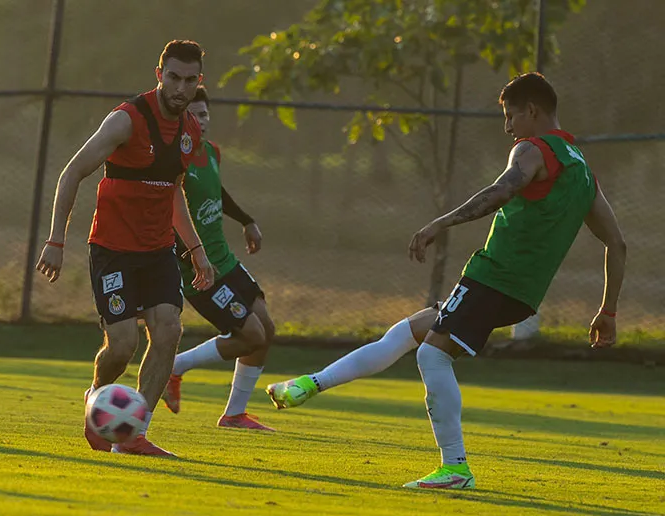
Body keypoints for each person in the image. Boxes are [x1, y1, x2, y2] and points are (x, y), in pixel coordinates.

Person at [265, 73, 626, 488]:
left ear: (532, 111)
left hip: (496, 277)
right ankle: (310, 385)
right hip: (521, 291)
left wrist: (442, 221)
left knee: (432, 355)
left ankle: (455, 467)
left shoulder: (532, 149)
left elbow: (503, 189)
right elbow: (617, 244)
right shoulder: (583, 170)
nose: (507, 127)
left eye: (511, 116)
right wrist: (609, 309)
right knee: (408, 333)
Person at [35, 40, 214, 457]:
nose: (180, 87)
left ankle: (134, 434)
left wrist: (195, 249)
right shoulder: (127, 120)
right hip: (112, 249)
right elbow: (71, 173)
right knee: (122, 345)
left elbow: (172, 192)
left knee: (168, 330)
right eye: (173, 77)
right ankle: (97, 396)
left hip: (157, 251)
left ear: (198, 82)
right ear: (159, 74)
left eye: (189, 81)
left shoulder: (190, 130)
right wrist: (55, 240)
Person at [161, 86, 276, 431]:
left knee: (266, 329)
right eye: (192, 114)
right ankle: (175, 367)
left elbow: (216, 193)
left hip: (224, 259)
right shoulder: (172, 158)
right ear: (181, 119)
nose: (200, 120)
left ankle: (234, 415)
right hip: (197, 267)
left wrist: (247, 220)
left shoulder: (211, 152)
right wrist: (191, 256)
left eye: (205, 114)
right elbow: (169, 211)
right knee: (252, 335)